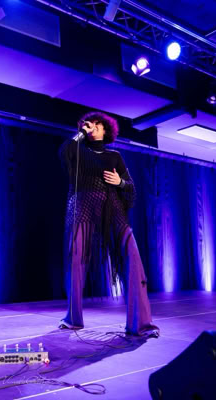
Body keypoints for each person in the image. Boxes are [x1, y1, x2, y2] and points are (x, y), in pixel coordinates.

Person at [59, 111, 159, 337]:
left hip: (112, 208)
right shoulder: (78, 150)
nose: (93, 126)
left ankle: (141, 324)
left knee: (132, 259)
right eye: (89, 124)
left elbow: (131, 188)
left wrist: (120, 182)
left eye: (97, 124)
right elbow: (64, 152)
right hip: (82, 207)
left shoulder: (114, 156)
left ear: (106, 130)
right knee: (76, 260)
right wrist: (80, 133)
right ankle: (73, 318)